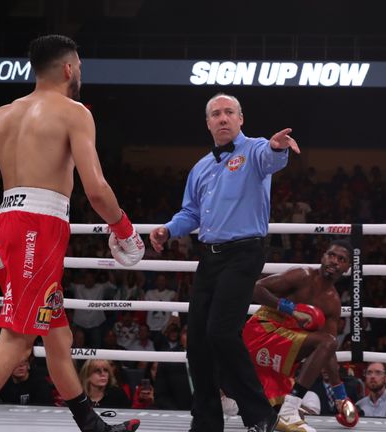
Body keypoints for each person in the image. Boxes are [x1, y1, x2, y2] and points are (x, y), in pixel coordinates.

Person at [0, 34, 142, 432]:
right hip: (38, 229)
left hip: (7, 224)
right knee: (16, 341)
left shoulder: (3, 114)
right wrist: (124, 230)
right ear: (68, 69)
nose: (80, 73)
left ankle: (92, 426)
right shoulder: (74, 112)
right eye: (79, 67)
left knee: (56, 336)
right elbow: (97, 189)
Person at [149, 92, 300, 432]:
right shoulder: (200, 168)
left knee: (221, 331)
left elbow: (271, 158)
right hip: (211, 257)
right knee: (198, 342)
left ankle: (260, 416)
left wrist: (277, 147)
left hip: (245, 253)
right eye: (216, 113)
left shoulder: (256, 149)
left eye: (229, 112)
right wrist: (167, 230)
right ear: (207, 122)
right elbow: (190, 212)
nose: (222, 118)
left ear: (240, 118)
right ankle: (206, 422)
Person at [243, 240, 359, 432]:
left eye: (341, 259)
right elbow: (256, 288)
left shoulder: (332, 303)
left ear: (347, 268)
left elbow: (328, 349)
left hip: (283, 346)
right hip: (262, 331)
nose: (334, 261)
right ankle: (289, 409)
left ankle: (286, 408)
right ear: (323, 257)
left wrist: (341, 395)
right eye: (331, 255)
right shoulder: (302, 276)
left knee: (327, 342)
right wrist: (291, 309)